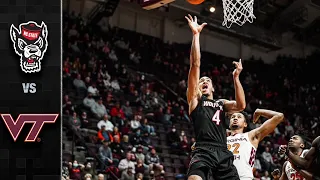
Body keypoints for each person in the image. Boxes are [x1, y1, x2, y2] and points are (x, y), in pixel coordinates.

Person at [185, 14, 246, 180]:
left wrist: (236, 78)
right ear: (197, 86)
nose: (204, 82)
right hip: (203, 150)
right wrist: (196, 35)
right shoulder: (195, 100)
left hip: (223, 151)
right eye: (201, 81)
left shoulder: (221, 103)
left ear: (212, 87)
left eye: (207, 81)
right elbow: (195, 64)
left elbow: (241, 105)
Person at [227, 109, 284, 180]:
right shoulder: (222, 139)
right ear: (229, 124)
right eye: (233, 117)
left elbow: (279, 116)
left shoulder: (250, 136)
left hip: (243, 177)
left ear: (245, 124)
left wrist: (259, 111)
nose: (235, 118)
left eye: (239, 117)